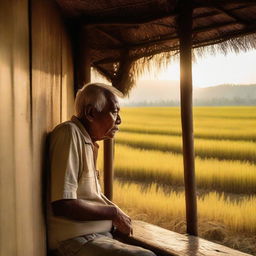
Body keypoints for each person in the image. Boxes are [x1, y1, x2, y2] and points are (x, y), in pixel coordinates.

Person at [48, 83, 156, 256]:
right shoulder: (69, 133)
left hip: (95, 236)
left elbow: (88, 197)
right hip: (75, 240)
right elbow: (63, 204)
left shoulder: (88, 142)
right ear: (91, 113)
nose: (119, 120)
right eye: (114, 112)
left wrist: (115, 213)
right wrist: (112, 212)